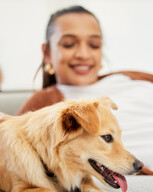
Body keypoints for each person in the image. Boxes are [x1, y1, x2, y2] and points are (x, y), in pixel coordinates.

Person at [15, 6, 153, 174]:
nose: (83, 54)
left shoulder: (132, 78)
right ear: (47, 53)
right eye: (69, 44)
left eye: (94, 45)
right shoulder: (46, 104)